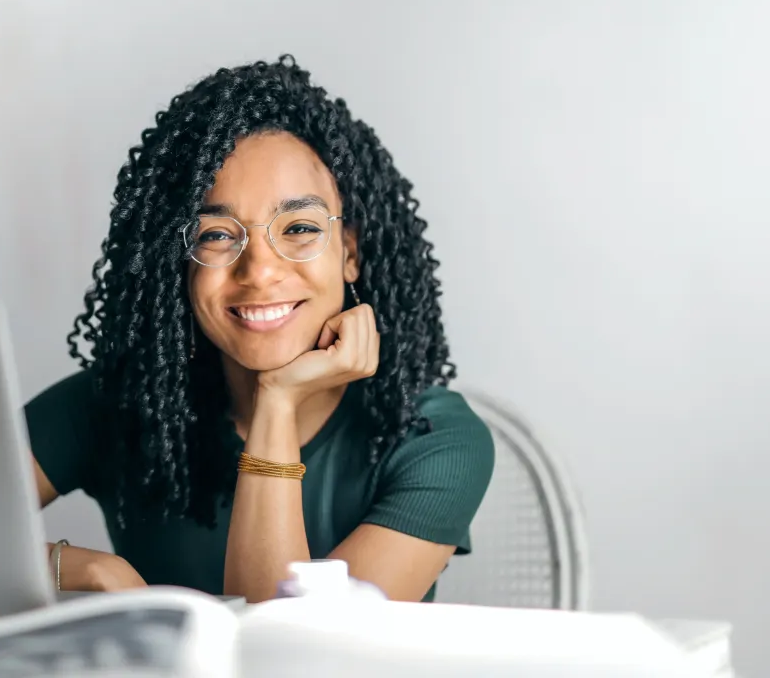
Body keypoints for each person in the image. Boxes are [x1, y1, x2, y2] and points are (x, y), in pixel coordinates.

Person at [25, 55, 494, 603]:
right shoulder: (117, 403)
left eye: (298, 228)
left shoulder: (433, 439)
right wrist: (78, 568)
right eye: (217, 236)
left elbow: (294, 655)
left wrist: (277, 400)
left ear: (350, 252)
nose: (261, 271)